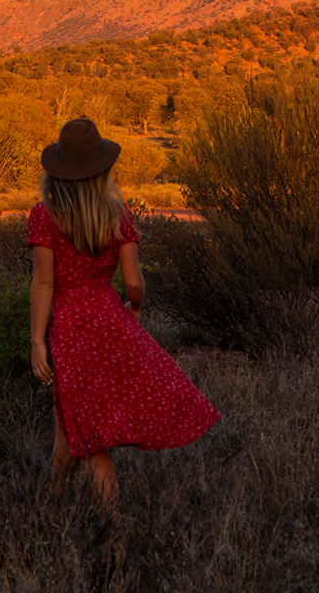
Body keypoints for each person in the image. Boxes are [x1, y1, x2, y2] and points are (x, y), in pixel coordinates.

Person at [29, 117, 220, 507]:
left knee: (90, 436)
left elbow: (44, 284)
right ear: (102, 169)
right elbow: (133, 282)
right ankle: (49, 508)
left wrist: (36, 340)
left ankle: (113, 538)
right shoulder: (118, 213)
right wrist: (133, 308)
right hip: (109, 318)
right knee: (71, 421)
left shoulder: (44, 216)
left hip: (69, 326)